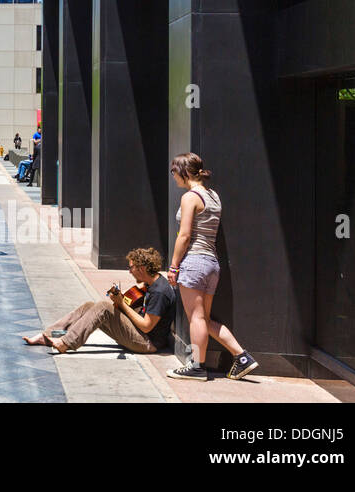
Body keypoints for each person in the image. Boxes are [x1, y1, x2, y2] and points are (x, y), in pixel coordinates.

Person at [166, 153, 258, 381]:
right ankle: (242, 356)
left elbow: (185, 235)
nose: (173, 176)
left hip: (194, 262)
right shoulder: (213, 196)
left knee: (196, 319)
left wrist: (174, 267)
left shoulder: (190, 197)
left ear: (184, 172)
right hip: (211, 264)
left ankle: (197, 366)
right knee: (204, 320)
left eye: (174, 171)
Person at [23, 247, 177, 355]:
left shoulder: (159, 292)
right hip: (139, 334)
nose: (129, 271)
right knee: (90, 306)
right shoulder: (150, 283)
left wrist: (122, 304)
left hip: (147, 343)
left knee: (103, 307)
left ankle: (66, 343)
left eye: (131, 268)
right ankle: (47, 335)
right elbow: (135, 299)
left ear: (141, 268)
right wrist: (121, 299)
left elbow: (146, 327)